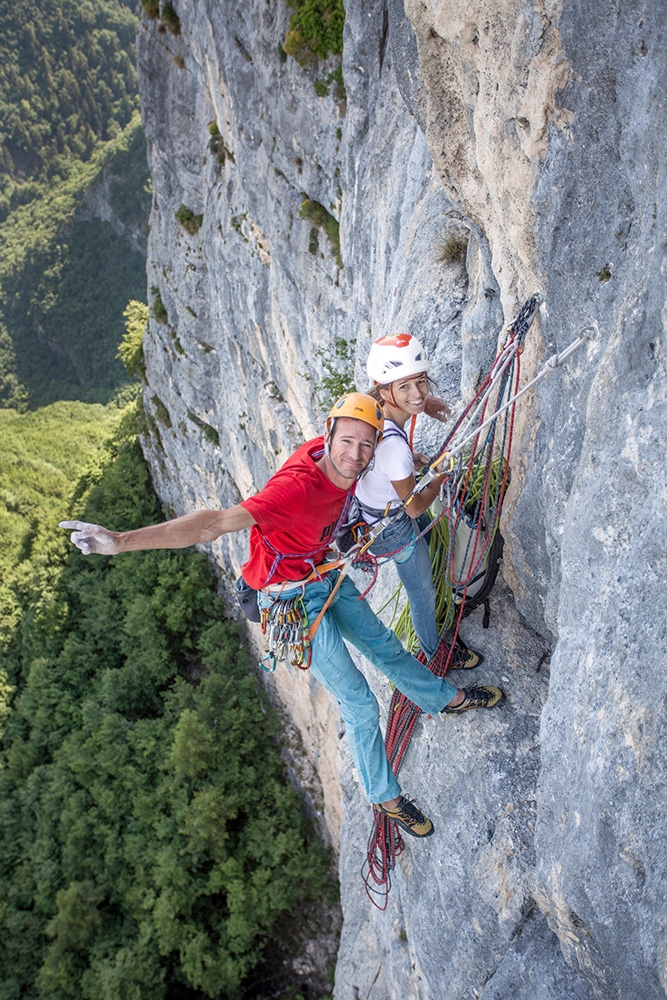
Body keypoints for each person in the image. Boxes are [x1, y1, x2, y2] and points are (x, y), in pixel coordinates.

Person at [61, 392, 503, 840]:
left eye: (366, 446)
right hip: (287, 603)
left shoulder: (353, 455)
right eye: (347, 443)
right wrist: (120, 541)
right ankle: (386, 799)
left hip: (323, 574)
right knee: (360, 701)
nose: (355, 455)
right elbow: (211, 524)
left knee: (385, 646)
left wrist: (421, 404)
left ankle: (446, 700)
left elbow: (381, 401)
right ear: (328, 436)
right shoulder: (295, 489)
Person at [357, 333, 481, 666]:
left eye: (421, 382)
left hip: (371, 510)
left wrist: (425, 405)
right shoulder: (395, 449)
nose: (417, 394)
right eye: (406, 387)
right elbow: (413, 506)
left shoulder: (372, 411)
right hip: (391, 528)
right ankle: (437, 654)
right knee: (422, 595)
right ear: (385, 390)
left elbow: (384, 461)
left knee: (434, 549)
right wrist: (439, 477)